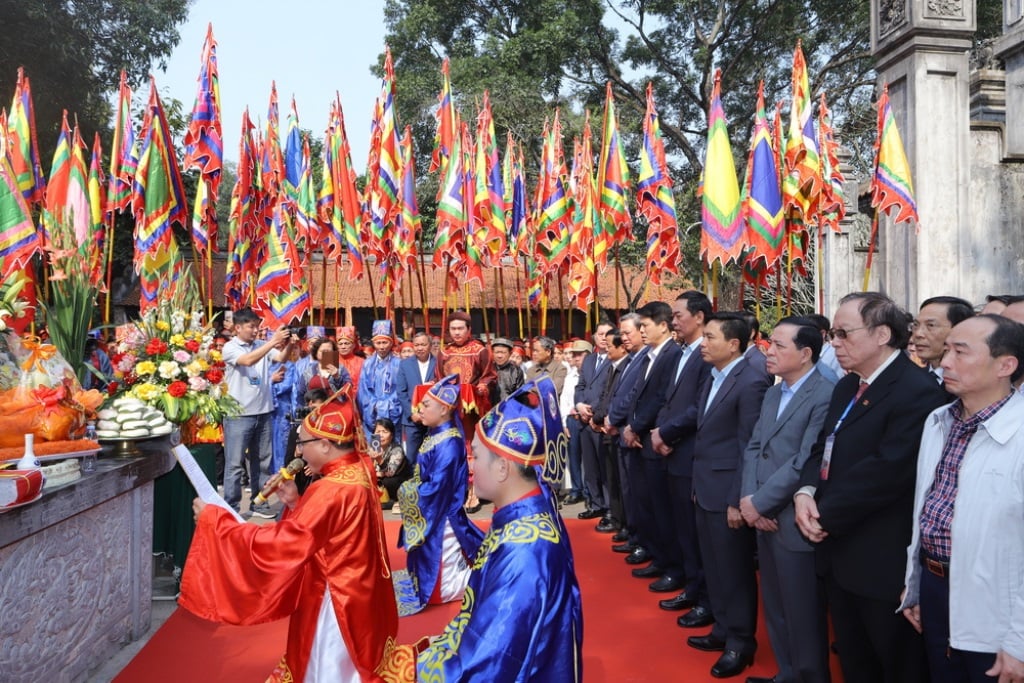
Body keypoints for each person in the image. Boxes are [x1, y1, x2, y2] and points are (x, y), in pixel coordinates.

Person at [180, 393, 417, 683]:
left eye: (302, 443)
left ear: (325, 445)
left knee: (329, 666)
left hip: (335, 595)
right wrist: (295, 503)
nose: (299, 452)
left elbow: (282, 545)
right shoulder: (359, 468)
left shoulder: (330, 490)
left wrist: (217, 522)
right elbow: (331, 529)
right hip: (360, 588)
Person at [795, 291, 947, 683]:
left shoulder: (918, 392)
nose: (834, 343)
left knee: (895, 665)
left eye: (843, 333)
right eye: (834, 334)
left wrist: (825, 514)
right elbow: (822, 446)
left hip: (881, 562)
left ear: (882, 335)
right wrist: (805, 493)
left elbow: (888, 471)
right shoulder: (848, 386)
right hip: (839, 552)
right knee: (855, 660)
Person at [416, 376, 583, 681]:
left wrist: (415, 671)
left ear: (503, 467)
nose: (470, 465)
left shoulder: (525, 551)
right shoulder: (517, 518)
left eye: (476, 456)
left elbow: (490, 659)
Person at [899, 314, 1024, 683]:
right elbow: (926, 512)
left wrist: (1019, 640)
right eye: (947, 349)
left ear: (1006, 365)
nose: (945, 361)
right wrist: (916, 584)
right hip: (937, 588)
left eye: (961, 352)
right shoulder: (940, 420)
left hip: (997, 604)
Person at [739, 316, 836, 683]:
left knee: (803, 612)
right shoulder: (773, 391)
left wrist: (760, 503)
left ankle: (809, 676)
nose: (769, 350)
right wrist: (750, 500)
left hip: (792, 519)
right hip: (763, 513)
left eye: (780, 345)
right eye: (770, 343)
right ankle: (788, 674)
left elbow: (806, 460)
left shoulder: (825, 393)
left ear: (806, 353)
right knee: (776, 607)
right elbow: (754, 447)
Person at [685, 312, 770, 679]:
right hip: (704, 488)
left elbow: (749, 444)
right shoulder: (713, 376)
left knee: (734, 571)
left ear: (733, 344)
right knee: (715, 566)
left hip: (728, 493)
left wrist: (739, 498)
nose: (703, 344)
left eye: (710, 337)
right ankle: (722, 627)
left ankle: (740, 642)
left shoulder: (750, 381)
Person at [395, 374, 485, 614]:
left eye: (426, 405)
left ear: (444, 409)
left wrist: (406, 491)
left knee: (438, 588)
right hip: (434, 510)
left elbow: (437, 488)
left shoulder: (448, 443)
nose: (420, 408)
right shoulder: (436, 434)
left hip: (442, 515)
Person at [649, 291, 713, 620]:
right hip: (671, 450)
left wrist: (667, 433)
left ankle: (705, 597)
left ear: (699, 317)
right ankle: (691, 585)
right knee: (681, 529)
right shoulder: (681, 353)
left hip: (689, 453)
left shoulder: (707, 354)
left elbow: (697, 408)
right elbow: (667, 399)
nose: (674, 321)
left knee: (695, 532)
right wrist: (659, 431)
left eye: (678, 315)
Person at [621, 302, 683, 584]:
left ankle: (671, 565)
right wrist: (630, 426)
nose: (641, 331)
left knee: (662, 509)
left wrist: (636, 426)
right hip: (639, 439)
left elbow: (660, 398)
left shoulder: (672, 355)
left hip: (654, 439)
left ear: (663, 325)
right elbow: (637, 393)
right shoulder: (649, 355)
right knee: (645, 503)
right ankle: (657, 556)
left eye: (645, 326)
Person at [221, 308, 295, 519]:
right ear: (237, 328)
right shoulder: (230, 347)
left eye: (257, 326)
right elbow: (247, 361)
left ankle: (259, 503)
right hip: (238, 415)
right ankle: (231, 507)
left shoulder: (261, 345)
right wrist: (273, 341)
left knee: (262, 461)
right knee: (235, 464)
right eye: (251, 326)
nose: (255, 331)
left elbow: (280, 357)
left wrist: (290, 343)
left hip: (263, 412)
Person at [436, 311, 496, 510]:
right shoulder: (444, 352)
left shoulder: (479, 350)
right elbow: (438, 378)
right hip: (450, 409)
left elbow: (489, 375)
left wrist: (483, 386)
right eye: (453, 329)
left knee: (472, 448)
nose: (457, 333)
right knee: (452, 448)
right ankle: (455, 491)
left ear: (469, 330)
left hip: (472, 408)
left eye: (460, 328)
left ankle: (474, 492)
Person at [573, 322, 614, 522]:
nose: (603, 337)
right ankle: (595, 504)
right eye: (600, 334)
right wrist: (580, 405)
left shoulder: (615, 359)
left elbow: (609, 391)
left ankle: (608, 507)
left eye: (607, 334)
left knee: (604, 468)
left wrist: (595, 413)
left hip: (600, 422)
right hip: (583, 419)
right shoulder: (589, 360)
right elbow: (580, 386)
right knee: (589, 468)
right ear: (594, 337)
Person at [911, 296, 974, 391]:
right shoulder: (911, 379)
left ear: (958, 329)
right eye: (916, 325)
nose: (918, 334)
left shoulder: (971, 385)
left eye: (931, 325)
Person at [357, 320, 403, 443]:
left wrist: (387, 405)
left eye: (385, 342)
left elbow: (401, 390)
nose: (382, 346)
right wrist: (374, 405)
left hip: (392, 411)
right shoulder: (367, 364)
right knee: (375, 448)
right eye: (378, 343)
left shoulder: (399, 364)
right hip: (372, 412)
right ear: (373, 343)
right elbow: (363, 392)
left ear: (391, 342)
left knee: (393, 449)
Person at [396, 331, 436, 467]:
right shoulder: (405, 364)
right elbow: (401, 392)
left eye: (423, 344)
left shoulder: (438, 363)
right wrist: (412, 414)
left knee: (432, 455)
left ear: (430, 346)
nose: (420, 348)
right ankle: (412, 485)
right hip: (413, 420)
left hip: (433, 419)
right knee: (411, 458)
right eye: (417, 345)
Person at [370, 417, 412, 506]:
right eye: (378, 432)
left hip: (398, 481)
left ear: (391, 435)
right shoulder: (372, 448)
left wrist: (379, 460)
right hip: (380, 478)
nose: (381, 435)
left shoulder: (397, 449)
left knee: (388, 481)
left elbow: (390, 473)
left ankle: (393, 501)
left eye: (385, 432)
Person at [489, 337, 524, 404]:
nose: (499, 356)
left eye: (503, 352)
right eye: (497, 352)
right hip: (490, 410)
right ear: (493, 353)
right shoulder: (488, 368)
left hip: (509, 409)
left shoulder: (516, 370)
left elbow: (520, 394)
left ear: (510, 354)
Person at [336, 326, 365, 394]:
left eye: (346, 343)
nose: (343, 347)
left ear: (353, 345)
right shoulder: (331, 360)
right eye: (340, 344)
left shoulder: (362, 362)